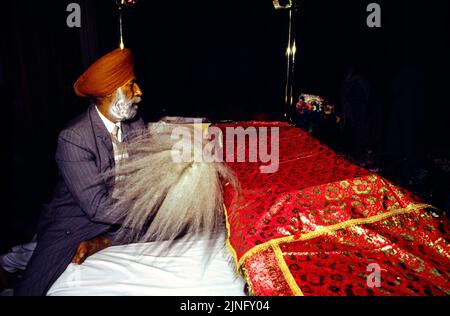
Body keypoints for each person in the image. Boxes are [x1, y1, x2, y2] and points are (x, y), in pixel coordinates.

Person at [14, 47, 145, 296]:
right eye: (131, 85)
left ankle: (102, 242)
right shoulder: (73, 138)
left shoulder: (134, 123)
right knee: (30, 290)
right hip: (75, 220)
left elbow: (146, 169)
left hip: (121, 212)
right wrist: (148, 205)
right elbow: (97, 207)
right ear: (109, 93)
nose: (139, 92)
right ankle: (11, 264)